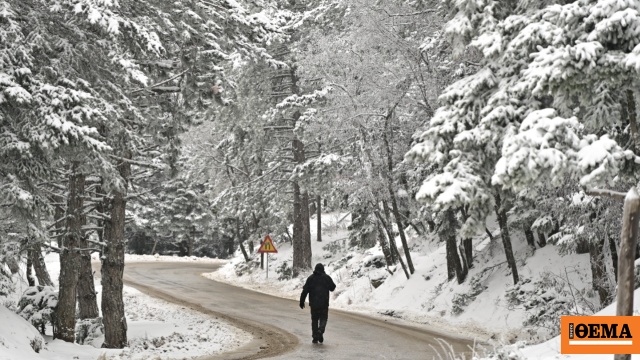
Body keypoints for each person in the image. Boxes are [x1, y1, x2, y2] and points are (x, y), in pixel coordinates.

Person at [299, 263, 336, 344]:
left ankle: (315, 337)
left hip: (314, 304)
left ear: (315, 270)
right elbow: (333, 287)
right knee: (323, 318)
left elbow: (305, 291)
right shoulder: (326, 278)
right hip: (324, 303)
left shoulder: (311, 278)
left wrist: (302, 301)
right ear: (323, 270)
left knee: (314, 320)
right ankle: (320, 330)